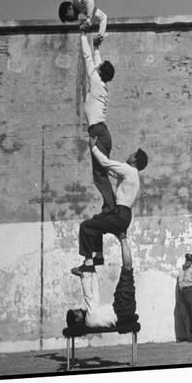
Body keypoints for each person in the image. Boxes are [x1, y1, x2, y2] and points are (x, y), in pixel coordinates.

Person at [71, 136, 148, 275]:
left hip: (119, 214)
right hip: (124, 216)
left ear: (134, 160)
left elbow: (105, 163)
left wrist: (93, 147)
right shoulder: (134, 175)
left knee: (86, 226)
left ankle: (89, 263)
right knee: (97, 220)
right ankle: (99, 256)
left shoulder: (127, 169)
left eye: (132, 154)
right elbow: (112, 172)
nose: (129, 155)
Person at [80, 30, 116, 243]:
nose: (97, 66)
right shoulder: (100, 82)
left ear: (100, 72)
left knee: (99, 175)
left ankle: (110, 208)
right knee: (101, 173)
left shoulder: (95, 81)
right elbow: (96, 62)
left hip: (98, 133)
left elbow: (87, 60)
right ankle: (108, 206)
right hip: (102, 132)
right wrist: (97, 48)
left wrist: (84, 36)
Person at [67, 236, 138, 329]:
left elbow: (95, 292)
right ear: (77, 319)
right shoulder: (90, 319)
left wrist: (91, 272)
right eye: (76, 311)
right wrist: (83, 276)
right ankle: (122, 237)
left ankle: (121, 239)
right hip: (122, 308)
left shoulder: (92, 317)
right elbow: (88, 296)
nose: (79, 309)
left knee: (127, 270)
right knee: (127, 269)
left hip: (122, 309)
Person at [174, 253, 192, 343]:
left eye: (190, 261)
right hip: (182, 293)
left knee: (190, 314)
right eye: (187, 261)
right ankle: (182, 336)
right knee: (181, 314)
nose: (188, 263)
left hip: (190, 292)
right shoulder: (181, 270)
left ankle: (190, 336)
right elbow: (179, 281)